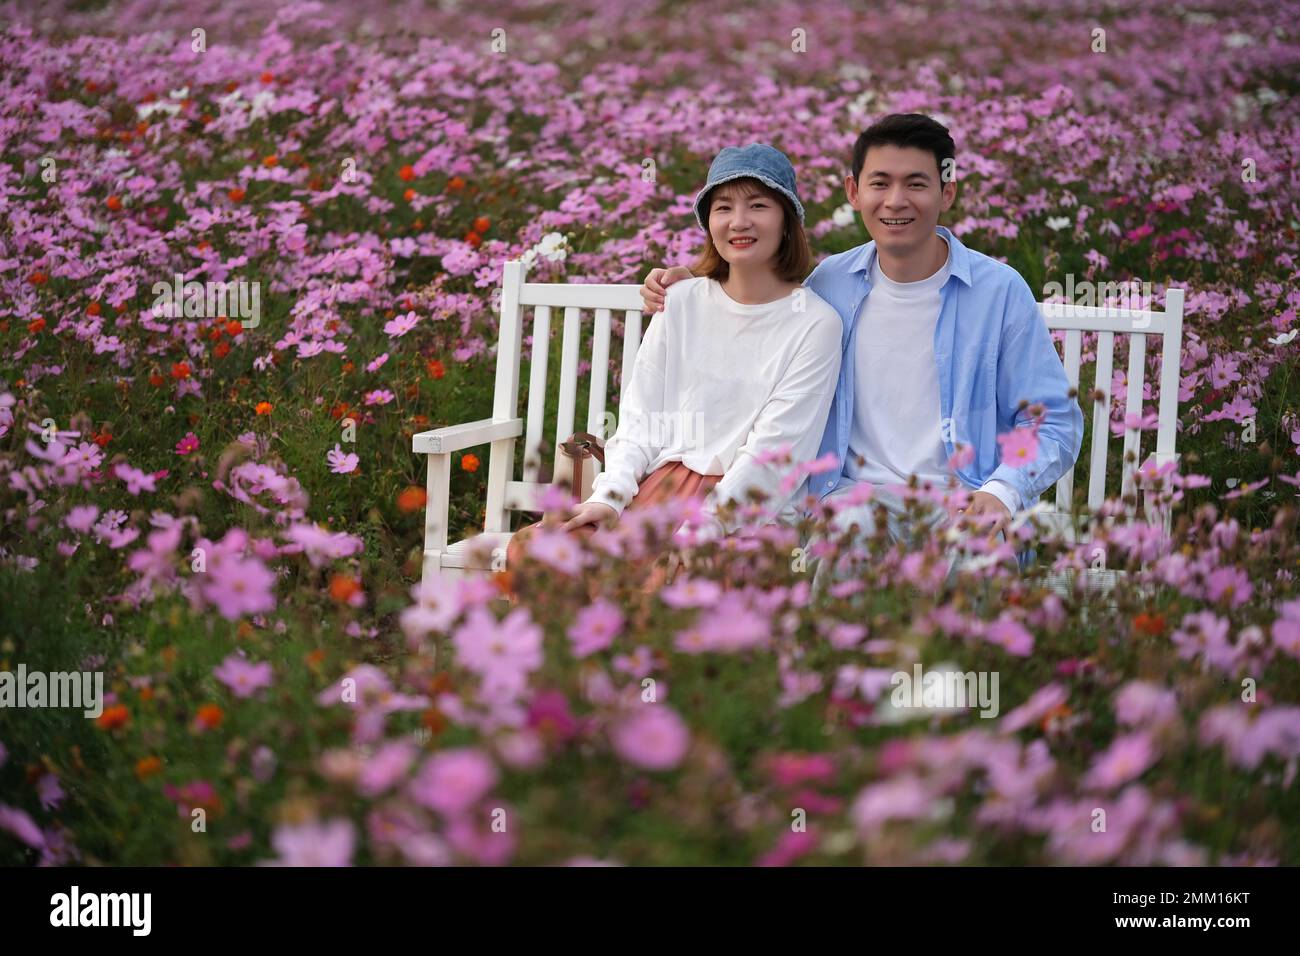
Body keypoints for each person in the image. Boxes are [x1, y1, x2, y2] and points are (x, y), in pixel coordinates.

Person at [640, 114, 1084, 581]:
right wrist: (701, 285)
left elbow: (1052, 419)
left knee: (971, 560)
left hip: (967, 498)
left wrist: (1003, 491)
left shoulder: (999, 291)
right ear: (854, 192)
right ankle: (830, 655)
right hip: (853, 498)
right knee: (846, 537)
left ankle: (958, 656)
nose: (896, 201)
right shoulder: (831, 284)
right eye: (880, 183)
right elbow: (761, 312)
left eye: (916, 183)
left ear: (946, 193)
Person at [505, 143, 843, 586]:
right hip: (658, 487)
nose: (739, 222)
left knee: (671, 584)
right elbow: (642, 418)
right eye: (723, 207)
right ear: (709, 223)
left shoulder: (816, 323)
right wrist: (610, 498)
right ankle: (565, 656)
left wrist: (708, 527)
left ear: (786, 222)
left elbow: (775, 453)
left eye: (758, 205)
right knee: (537, 551)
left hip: (745, 504)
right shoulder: (680, 300)